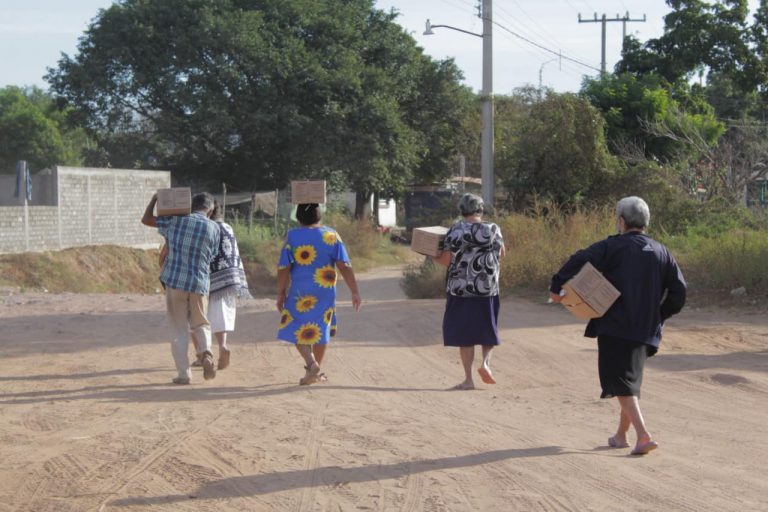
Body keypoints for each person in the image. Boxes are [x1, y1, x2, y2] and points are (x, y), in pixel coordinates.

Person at [549, 196, 686, 456]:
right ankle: (621, 435)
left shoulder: (612, 246)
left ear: (621, 221)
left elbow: (579, 258)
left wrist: (557, 288)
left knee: (620, 381)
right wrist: (659, 316)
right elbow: (679, 292)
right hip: (646, 328)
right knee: (630, 380)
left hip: (615, 325)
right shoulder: (661, 251)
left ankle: (643, 435)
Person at [276, 203, 361, 385]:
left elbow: (284, 268)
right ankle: (314, 371)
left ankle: (311, 364)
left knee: (296, 326)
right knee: (320, 328)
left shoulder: (292, 236)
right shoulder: (331, 235)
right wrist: (354, 291)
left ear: (298, 218)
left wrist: (280, 292)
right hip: (325, 290)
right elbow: (345, 266)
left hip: (300, 291)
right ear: (319, 216)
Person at [142, 192, 221, 384]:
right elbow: (213, 255)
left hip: (175, 281)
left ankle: (184, 374)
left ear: (190, 206)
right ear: (209, 210)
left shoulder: (175, 221)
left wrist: (155, 200)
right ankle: (206, 353)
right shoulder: (214, 228)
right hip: (200, 282)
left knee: (178, 328)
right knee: (201, 323)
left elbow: (146, 220)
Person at [433, 193, 505, 390]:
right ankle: (486, 364)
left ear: (462, 211)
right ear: (481, 210)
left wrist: (433, 257)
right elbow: (501, 253)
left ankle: (468, 380)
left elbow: (446, 260)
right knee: (487, 328)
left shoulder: (456, 230)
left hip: (460, 289)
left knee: (465, 335)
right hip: (488, 288)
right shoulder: (493, 228)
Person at [190, 201, 251, 370]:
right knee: (221, 315)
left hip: (206, 279)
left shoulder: (204, 227)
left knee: (198, 317)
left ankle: (202, 355)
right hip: (229, 279)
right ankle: (223, 346)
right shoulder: (228, 227)